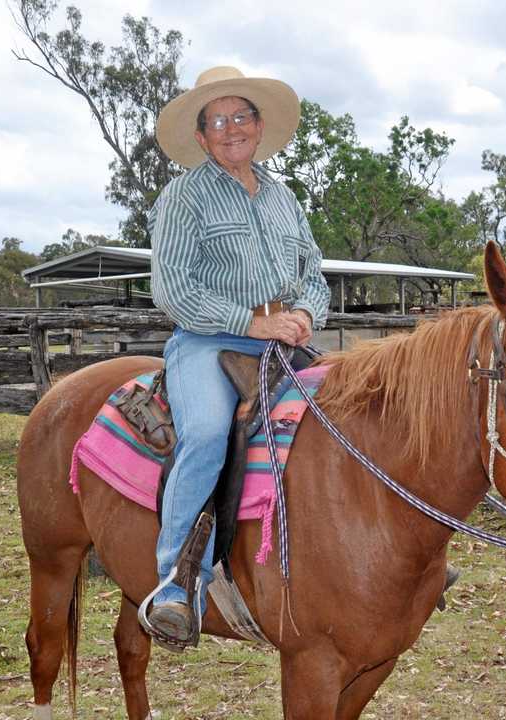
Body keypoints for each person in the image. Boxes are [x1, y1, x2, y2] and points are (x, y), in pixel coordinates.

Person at [141, 66, 331, 647]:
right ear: (201, 136)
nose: (231, 128)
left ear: (258, 125)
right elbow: (171, 289)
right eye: (217, 120)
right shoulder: (183, 196)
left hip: (285, 340)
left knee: (358, 418)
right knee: (205, 432)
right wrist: (252, 321)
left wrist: (303, 314)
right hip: (208, 341)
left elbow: (314, 275)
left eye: (240, 116)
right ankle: (177, 582)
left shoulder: (283, 198)